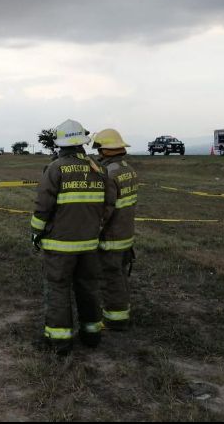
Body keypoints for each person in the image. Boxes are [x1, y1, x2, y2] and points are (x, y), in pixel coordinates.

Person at [31, 119, 116, 356]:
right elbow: (109, 204)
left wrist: (36, 232)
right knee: (88, 287)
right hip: (89, 244)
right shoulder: (98, 169)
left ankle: (59, 342)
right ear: (82, 143)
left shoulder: (56, 168)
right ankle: (91, 334)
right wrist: (97, 225)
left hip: (60, 245)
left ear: (61, 145)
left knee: (58, 288)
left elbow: (43, 205)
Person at [91, 129, 138, 330]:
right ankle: (123, 310)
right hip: (126, 234)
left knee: (111, 278)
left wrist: (93, 230)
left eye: (99, 149)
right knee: (119, 275)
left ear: (105, 150)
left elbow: (106, 209)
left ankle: (115, 320)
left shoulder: (109, 174)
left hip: (111, 237)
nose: (98, 153)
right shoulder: (128, 169)